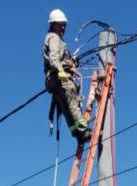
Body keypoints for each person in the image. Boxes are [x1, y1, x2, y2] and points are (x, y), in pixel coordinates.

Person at [43, 8, 90, 143]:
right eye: (60, 24)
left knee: (66, 106)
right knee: (72, 98)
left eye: (64, 25)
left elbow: (60, 57)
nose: (63, 27)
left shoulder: (57, 40)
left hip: (52, 80)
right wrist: (61, 71)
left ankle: (77, 132)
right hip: (58, 77)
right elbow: (54, 57)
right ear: (53, 24)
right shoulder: (54, 38)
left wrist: (71, 61)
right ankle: (84, 131)